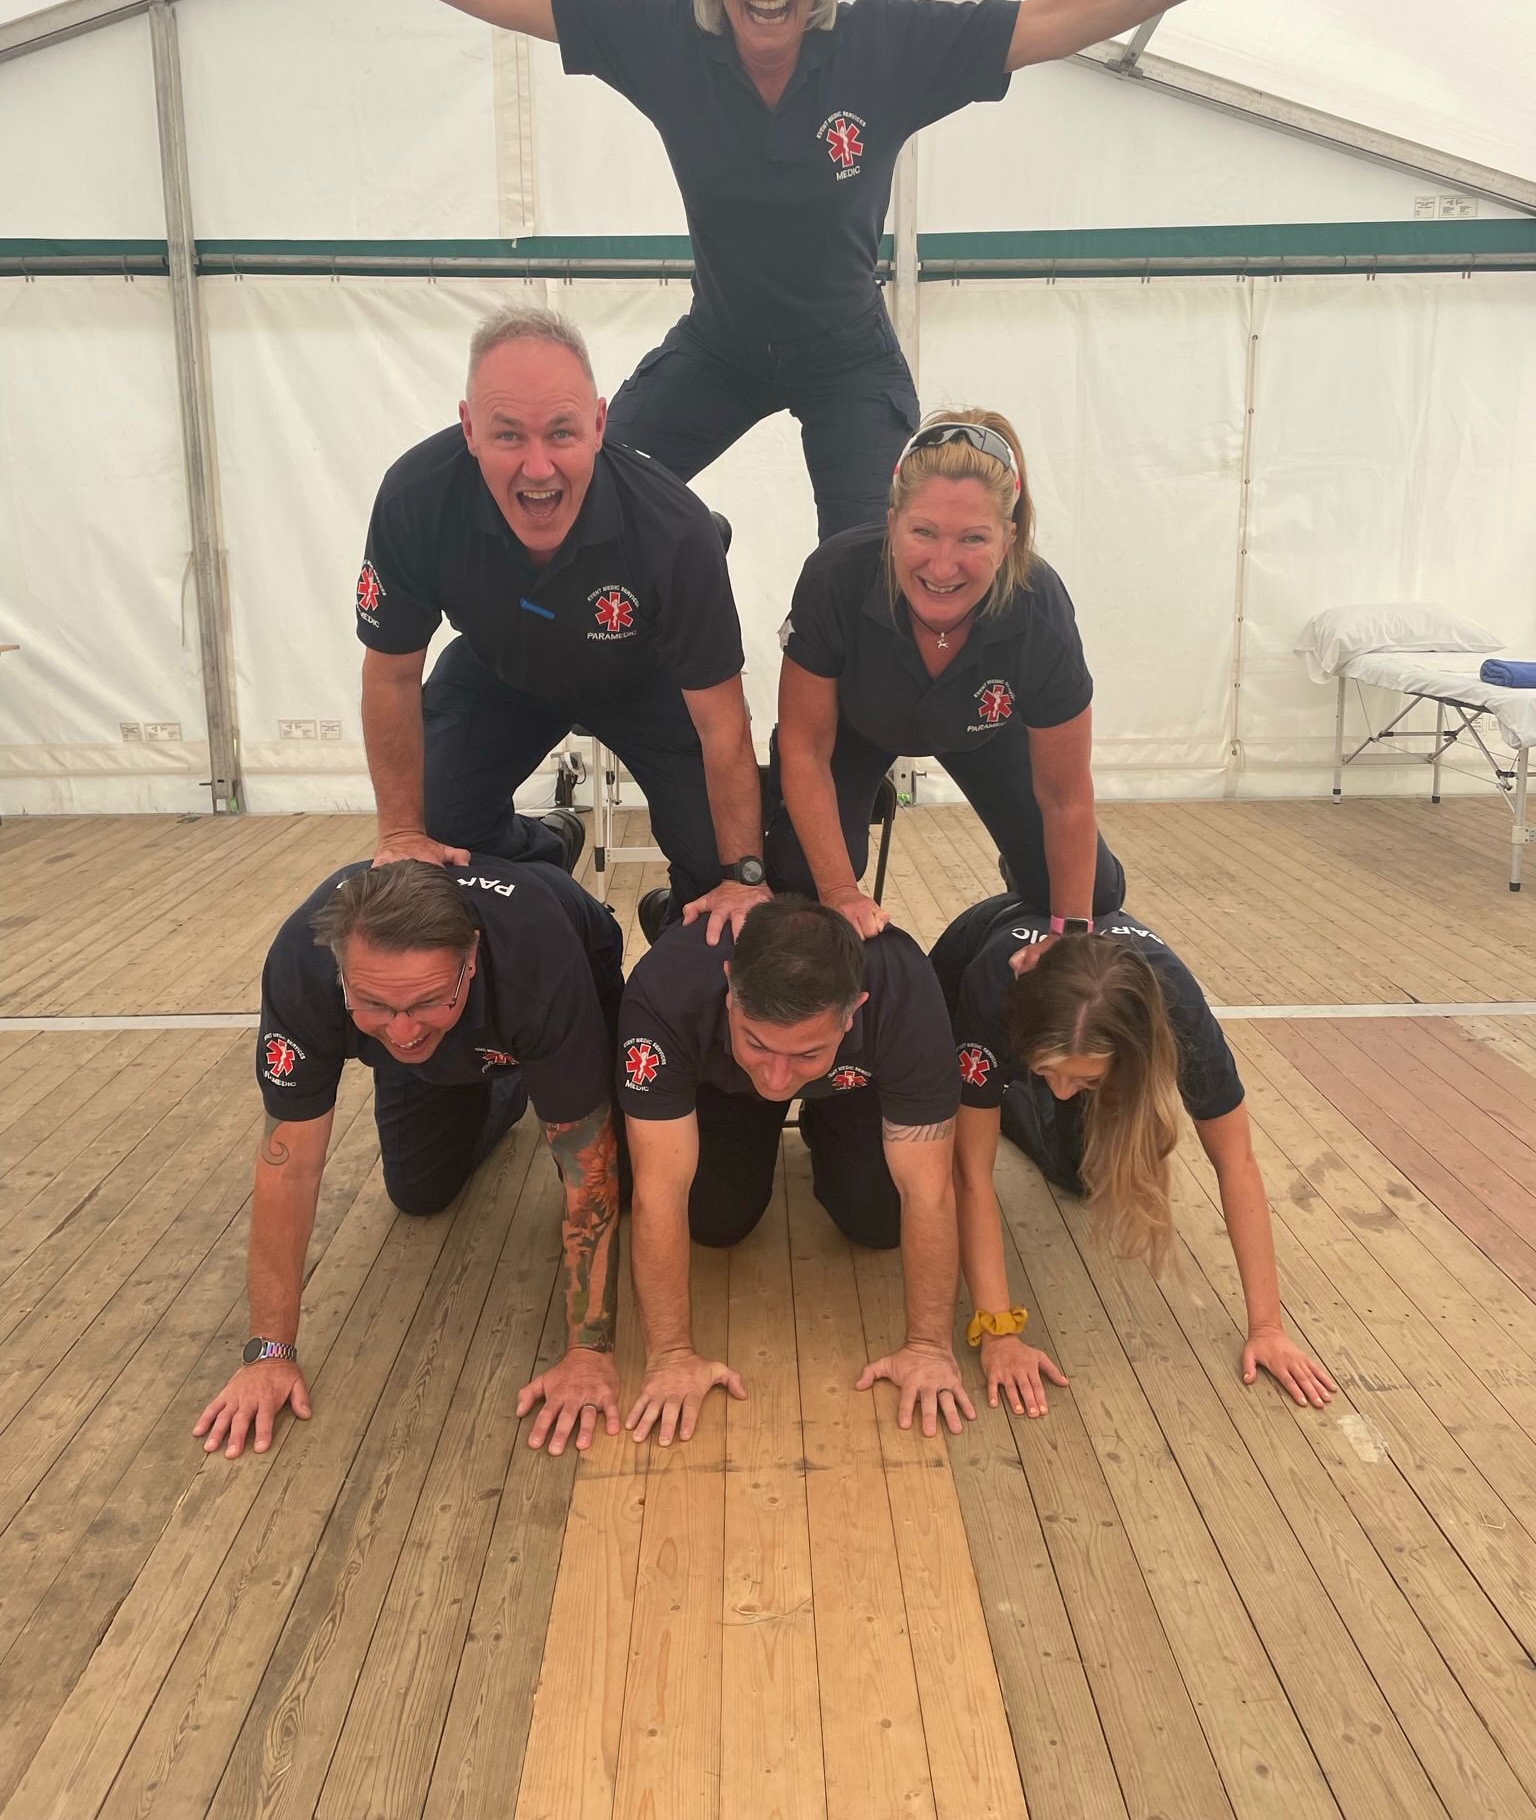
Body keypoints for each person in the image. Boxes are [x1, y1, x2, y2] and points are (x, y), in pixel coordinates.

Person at [241, 0, 1327, 537]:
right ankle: (639, 643)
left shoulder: (886, 48)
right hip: (719, 345)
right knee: (589, 492)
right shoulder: (666, 37)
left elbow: (1050, 20)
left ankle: (838, 798)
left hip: (847, 353)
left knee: (868, 570)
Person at [194, 856, 630, 1461]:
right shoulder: (301, 963)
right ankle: (509, 1076)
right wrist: (269, 1351)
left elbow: (591, 1170)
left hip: (565, 965)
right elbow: (287, 1166)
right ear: (340, 970)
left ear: (471, 959)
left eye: (426, 1000)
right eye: (372, 1003)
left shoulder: (538, 961)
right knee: (419, 1192)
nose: (400, 1033)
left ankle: (530, 1051)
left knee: (624, 1184)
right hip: (472, 1033)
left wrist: (588, 1352)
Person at [357, 304, 770, 932]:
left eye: (560, 433)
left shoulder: (676, 530)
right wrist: (401, 832)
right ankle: (545, 852)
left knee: (719, 866)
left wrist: (743, 875)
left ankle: (666, 916)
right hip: (499, 669)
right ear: (469, 429)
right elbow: (390, 676)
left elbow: (722, 723)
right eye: (508, 435)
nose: (538, 467)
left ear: (599, 425)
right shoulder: (416, 496)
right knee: (436, 825)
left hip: (646, 681)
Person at [932, 893, 1338, 1419]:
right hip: (966, 970)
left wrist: (1268, 1329)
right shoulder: (991, 994)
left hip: (1071, 1034)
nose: (1063, 1091)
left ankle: (1013, 1096)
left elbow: (1236, 1161)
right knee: (934, 1163)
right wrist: (999, 1332)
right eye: (1047, 1071)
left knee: (1082, 1175)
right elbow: (970, 1175)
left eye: (1085, 1080)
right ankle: (999, 1091)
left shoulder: (1180, 1012)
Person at [616, 896, 974, 1444]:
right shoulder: (665, 987)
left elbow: (929, 1189)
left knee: (880, 1221)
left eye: (805, 1053)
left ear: (854, 1010)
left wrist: (929, 1348)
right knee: (715, 1220)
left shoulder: (904, 988)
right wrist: (670, 1356)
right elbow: (658, 1190)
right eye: (758, 1042)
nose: (779, 1079)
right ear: (730, 987)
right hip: (723, 1085)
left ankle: (821, 1117)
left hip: (852, 1082)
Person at [771, 409, 1123, 939]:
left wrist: (1069, 934)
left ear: (1008, 539)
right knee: (798, 876)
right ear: (893, 524)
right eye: (924, 532)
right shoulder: (835, 576)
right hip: (854, 728)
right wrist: (840, 892)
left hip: (982, 731)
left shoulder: (1039, 605)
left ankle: (1021, 873)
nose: (941, 566)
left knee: (1092, 895)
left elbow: (1065, 793)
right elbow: (805, 749)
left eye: (973, 539)